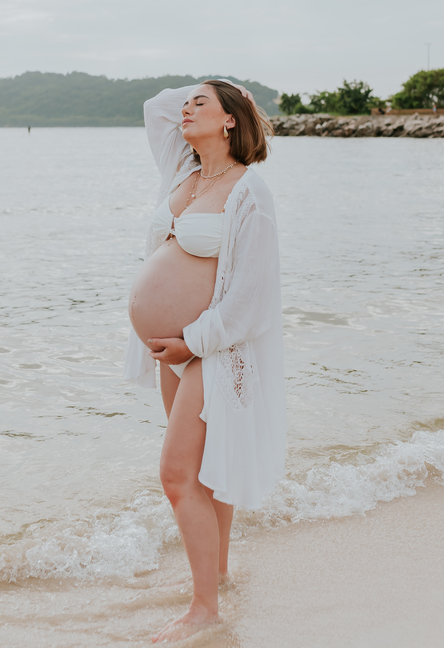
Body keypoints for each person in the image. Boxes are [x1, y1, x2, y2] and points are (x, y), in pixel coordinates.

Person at [124, 80, 286, 642]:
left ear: (230, 122)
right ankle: (215, 575)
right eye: (187, 103)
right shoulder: (182, 172)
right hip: (174, 352)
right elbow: (156, 108)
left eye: (202, 104)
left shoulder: (249, 192)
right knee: (203, 475)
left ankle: (204, 609)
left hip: (211, 349)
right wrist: (206, 90)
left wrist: (193, 342)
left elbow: (252, 295)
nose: (185, 109)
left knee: (175, 476)